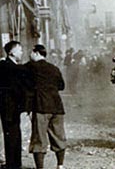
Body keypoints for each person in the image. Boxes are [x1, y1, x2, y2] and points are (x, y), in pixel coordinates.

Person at [26, 44, 67, 169]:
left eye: (31, 53)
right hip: (57, 107)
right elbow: (61, 86)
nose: (29, 55)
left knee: (39, 139)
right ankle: (60, 165)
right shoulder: (54, 68)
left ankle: (40, 168)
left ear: (36, 53)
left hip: (40, 107)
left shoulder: (30, 67)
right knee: (59, 136)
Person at [0, 41, 31, 169]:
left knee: (15, 133)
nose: (22, 52)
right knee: (12, 134)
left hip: (11, 106)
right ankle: (12, 164)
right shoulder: (8, 66)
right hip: (8, 106)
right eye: (19, 49)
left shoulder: (6, 65)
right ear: (11, 52)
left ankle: (15, 163)